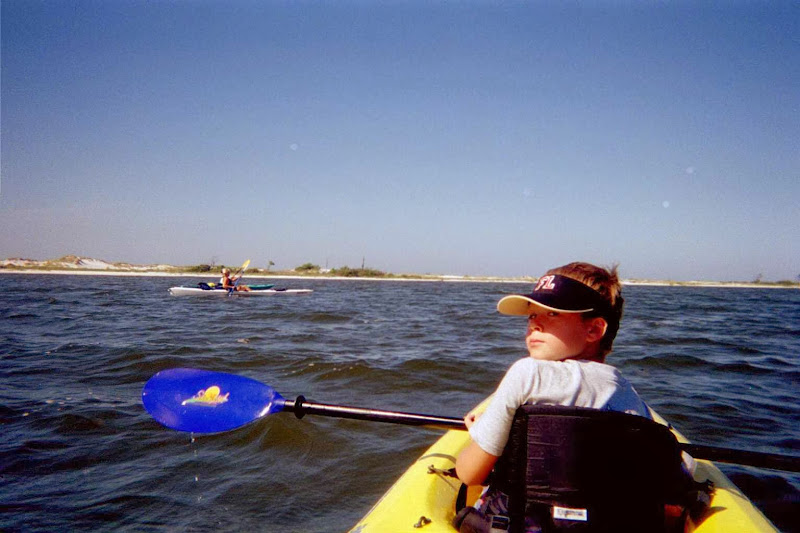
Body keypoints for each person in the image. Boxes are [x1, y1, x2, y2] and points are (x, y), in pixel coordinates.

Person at [455, 261, 654, 529]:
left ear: (594, 329)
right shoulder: (624, 390)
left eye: (552, 314)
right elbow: (668, 464)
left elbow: (470, 474)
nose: (534, 324)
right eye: (532, 315)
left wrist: (477, 434)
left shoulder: (526, 373)